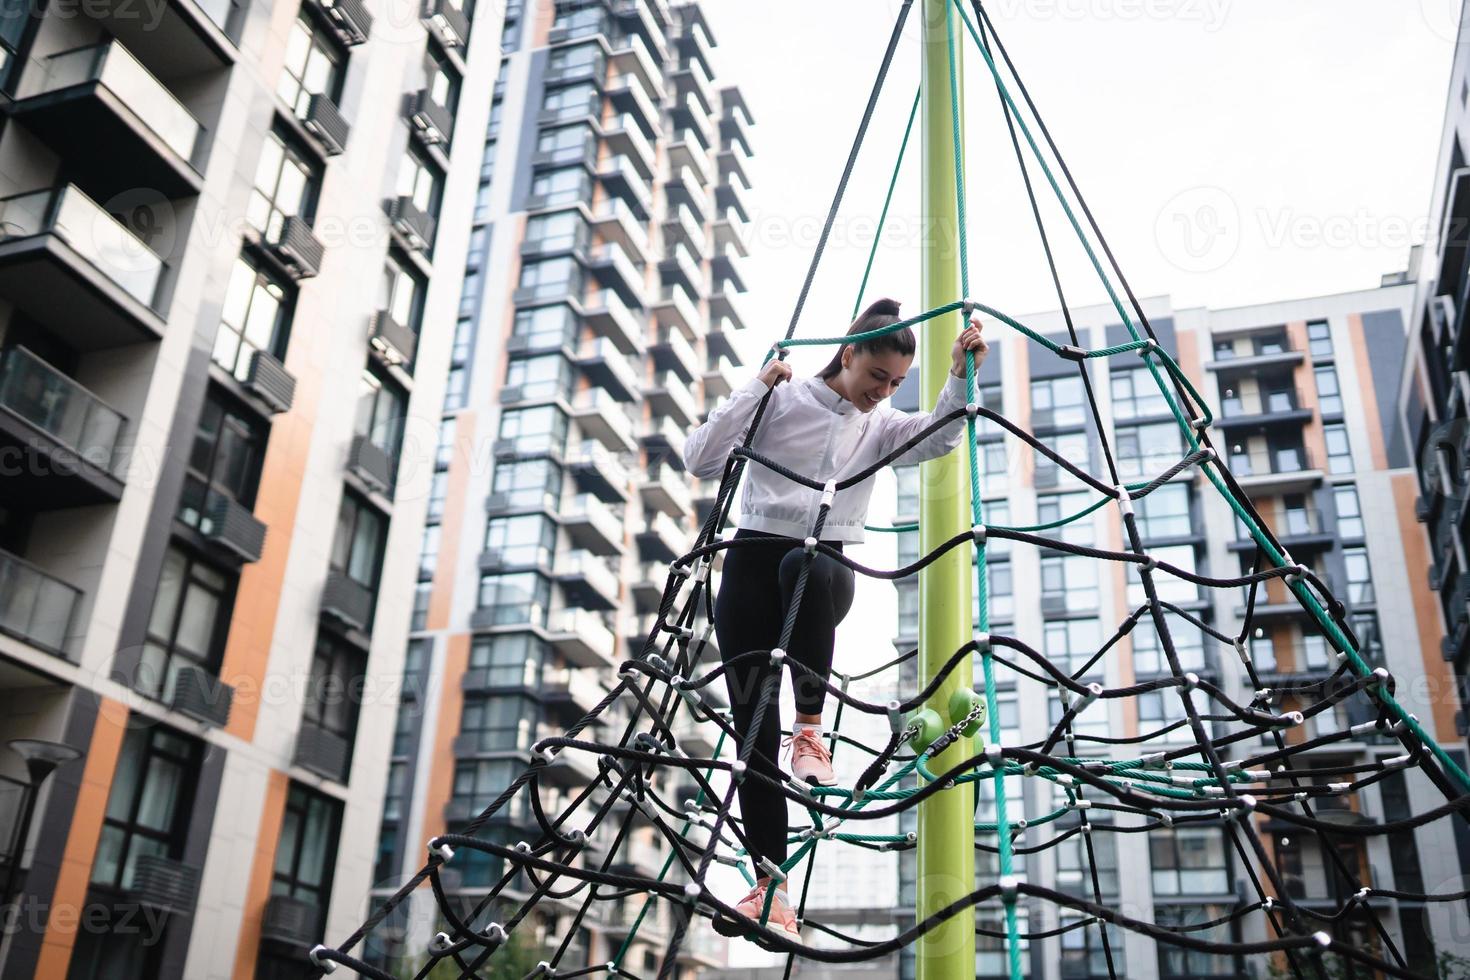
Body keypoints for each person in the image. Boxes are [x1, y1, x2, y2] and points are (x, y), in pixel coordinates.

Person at [681, 297, 989, 942]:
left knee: (808, 561)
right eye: (877, 377)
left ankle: (812, 728)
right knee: (750, 734)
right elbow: (701, 459)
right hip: (748, 569)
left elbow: (942, 434)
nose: (883, 393)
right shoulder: (782, 400)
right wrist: (754, 388)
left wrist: (961, 373)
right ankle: (771, 889)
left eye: (896, 383)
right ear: (848, 355)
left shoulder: (880, 427)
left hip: (823, 574)